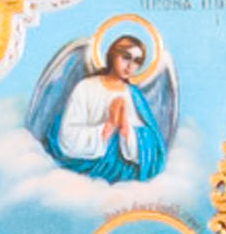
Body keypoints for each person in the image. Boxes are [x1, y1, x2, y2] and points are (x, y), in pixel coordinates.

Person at [44, 34, 169, 182]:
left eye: (137, 61)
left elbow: (152, 144)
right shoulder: (86, 87)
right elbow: (67, 136)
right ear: (112, 55)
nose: (130, 66)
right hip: (85, 173)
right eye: (126, 57)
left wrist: (125, 127)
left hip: (124, 176)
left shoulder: (133, 96)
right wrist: (108, 127)